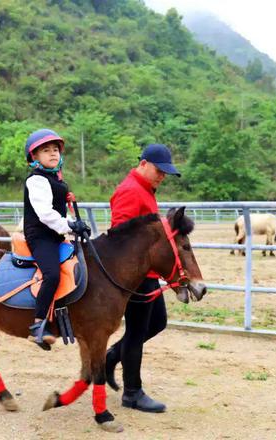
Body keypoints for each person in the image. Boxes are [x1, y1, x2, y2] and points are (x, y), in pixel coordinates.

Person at [106, 143, 181, 412]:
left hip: (148, 272)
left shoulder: (145, 189)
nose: (162, 176)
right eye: (159, 170)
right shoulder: (129, 191)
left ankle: (113, 355)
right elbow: (120, 237)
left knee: (157, 322)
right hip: (135, 276)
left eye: (165, 173)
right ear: (143, 164)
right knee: (137, 332)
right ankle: (132, 393)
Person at [22, 129, 89, 348]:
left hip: (56, 233)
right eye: (46, 151)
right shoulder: (37, 181)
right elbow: (45, 214)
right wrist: (69, 225)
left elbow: (59, 212)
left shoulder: (56, 180)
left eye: (55, 150)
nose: (53, 154)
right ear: (34, 157)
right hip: (40, 236)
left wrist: (75, 226)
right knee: (51, 275)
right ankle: (38, 324)